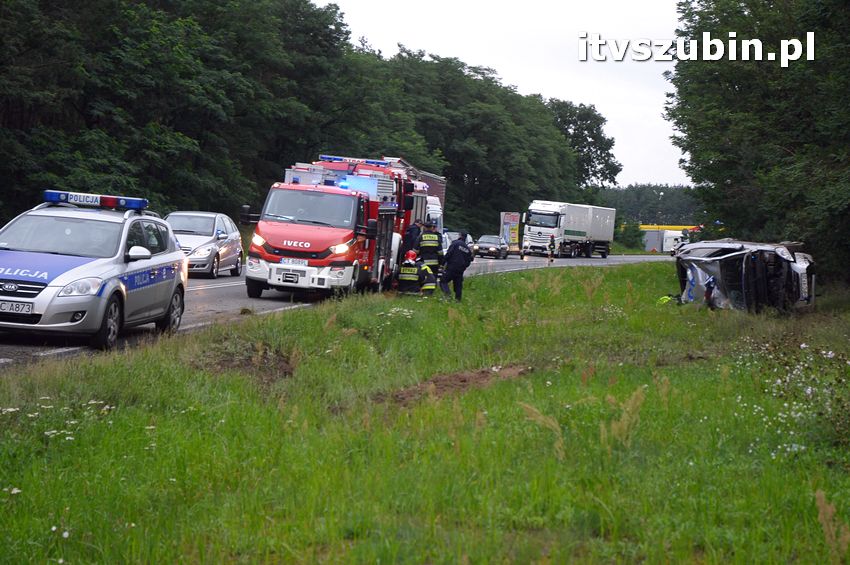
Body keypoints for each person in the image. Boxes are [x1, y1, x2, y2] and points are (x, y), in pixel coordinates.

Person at [440, 231, 474, 301]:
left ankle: (447, 295)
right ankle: (458, 299)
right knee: (458, 285)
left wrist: (442, 264)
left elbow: (448, 254)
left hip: (452, 267)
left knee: (443, 281)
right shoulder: (467, 248)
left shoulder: (455, 243)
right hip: (460, 269)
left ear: (460, 236)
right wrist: (463, 267)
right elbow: (469, 260)